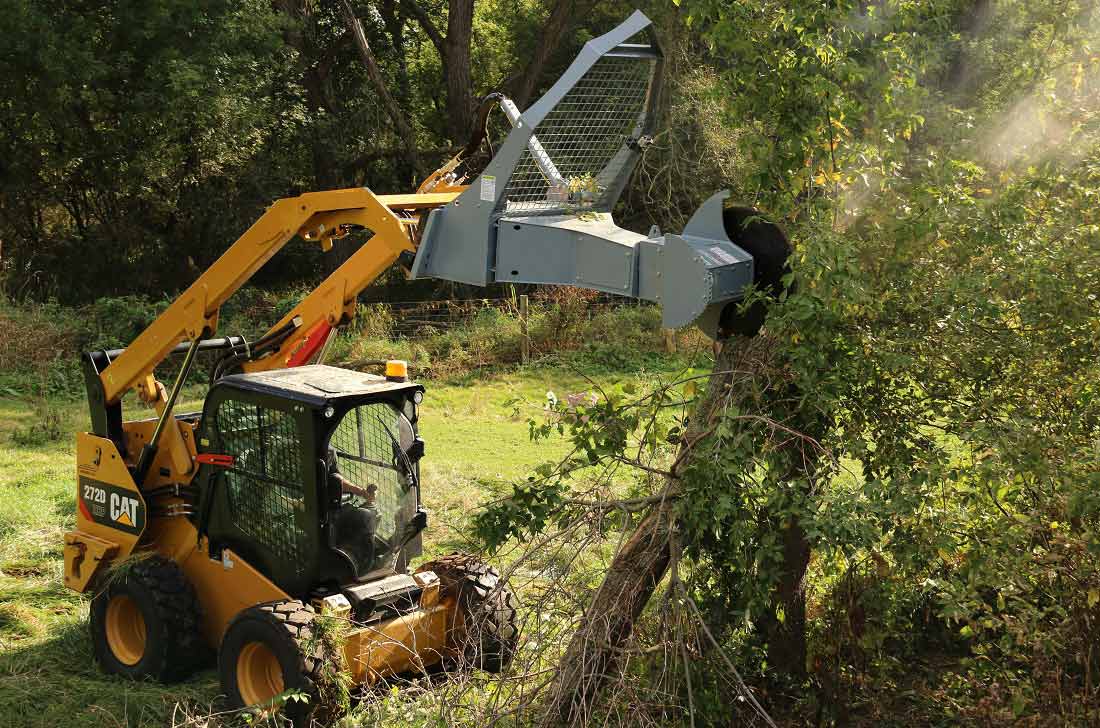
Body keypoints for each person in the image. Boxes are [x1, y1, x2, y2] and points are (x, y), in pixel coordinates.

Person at [327, 447, 384, 574]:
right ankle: (354, 563)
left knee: (369, 514)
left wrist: (363, 494)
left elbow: (337, 478)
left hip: (332, 503)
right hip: (319, 507)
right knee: (365, 516)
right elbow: (335, 479)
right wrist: (361, 492)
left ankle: (354, 558)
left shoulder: (327, 448)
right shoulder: (319, 449)